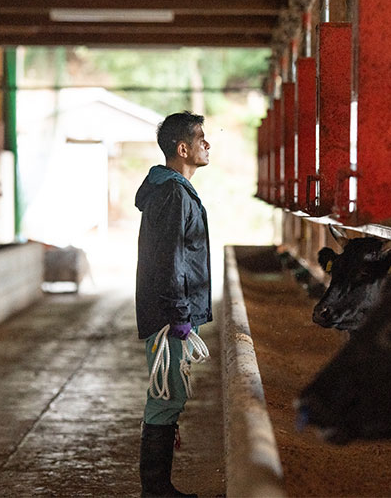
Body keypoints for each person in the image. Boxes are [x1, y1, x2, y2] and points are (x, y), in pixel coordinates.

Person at [135, 111, 212, 497]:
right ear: (182, 149)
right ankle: (156, 489)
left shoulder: (174, 190)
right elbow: (168, 260)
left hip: (172, 314)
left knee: (170, 395)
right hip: (169, 317)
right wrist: (179, 314)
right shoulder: (172, 193)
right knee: (165, 397)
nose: (207, 144)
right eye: (201, 139)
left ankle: (159, 486)